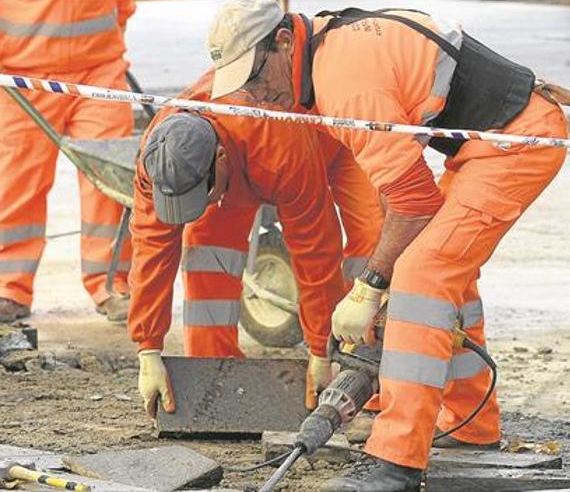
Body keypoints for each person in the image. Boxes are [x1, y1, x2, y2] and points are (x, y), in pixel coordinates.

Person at [206, 0, 570, 490]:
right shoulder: (334, 47)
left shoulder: (344, 80)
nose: (260, 95)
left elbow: (414, 203)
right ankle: (472, 425)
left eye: (257, 78)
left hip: (517, 142)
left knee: (423, 274)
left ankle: (397, 462)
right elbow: (399, 194)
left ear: (283, 42)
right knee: (444, 267)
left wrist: (369, 287)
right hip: (494, 138)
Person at [128, 71, 382, 417]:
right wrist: (148, 351)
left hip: (335, 141)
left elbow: (315, 254)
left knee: (374, 250)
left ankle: (366, 382)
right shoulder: (161, 157)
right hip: (238, 163)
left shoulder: (278, 147)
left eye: (199, 196)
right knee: (205, 251)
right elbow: (150, 253)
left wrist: (321, 352)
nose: (194, 208)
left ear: (218, 159)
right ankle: (213, 375)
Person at [0, 0, 137, 322]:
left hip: (98, 73)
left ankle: (111, 284)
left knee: (111, 182)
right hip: (21, 77)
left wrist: (108, 45)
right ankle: (9, 287)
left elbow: (123, 5)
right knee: (18, 186)